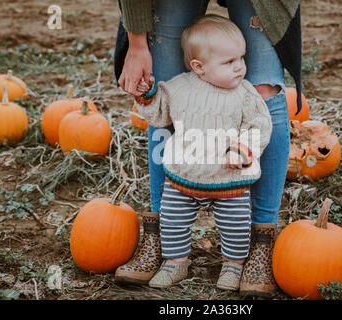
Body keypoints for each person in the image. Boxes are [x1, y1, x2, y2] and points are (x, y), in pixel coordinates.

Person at [114, 0, 303, 297]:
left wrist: (244, 148)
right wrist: (138, 45)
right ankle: (163, 240)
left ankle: (258, 245)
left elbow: (257, 123)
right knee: (163, 80)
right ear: (198, 69)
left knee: (265, 90)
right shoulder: (182, 89)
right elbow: (159, 107)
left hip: (231, 179)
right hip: (184, 173)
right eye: (232, 62)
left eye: (241, 59)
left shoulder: (244, 93)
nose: (241, 66)